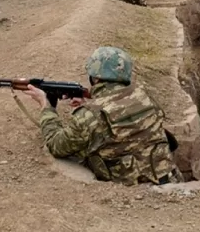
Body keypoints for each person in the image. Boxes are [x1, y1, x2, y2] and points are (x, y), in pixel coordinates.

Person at [24, 46, 182, 185]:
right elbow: (121, 107)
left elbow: (56, 145)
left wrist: (46, 106)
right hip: (169, 177)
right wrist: (92, 102)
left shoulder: (89, 115)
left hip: (133, 188)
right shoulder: (144, 96)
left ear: (96, 77)